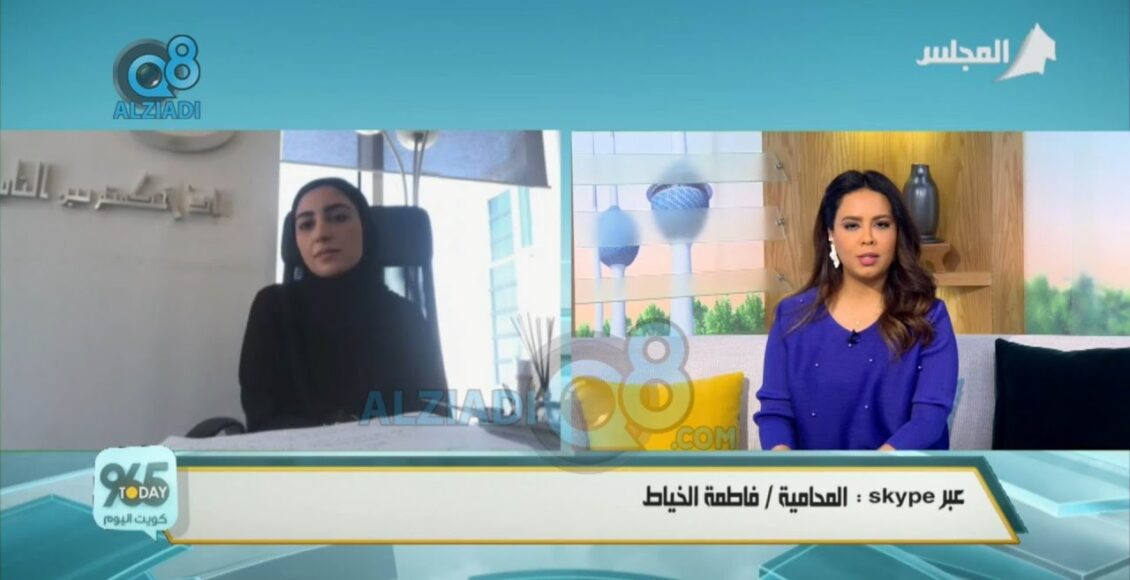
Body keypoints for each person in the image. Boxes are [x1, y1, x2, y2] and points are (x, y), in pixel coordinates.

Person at [754, 170, 958, 450]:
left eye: (881, 225)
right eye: (852, 226)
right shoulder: (791, 317)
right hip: (811, 478)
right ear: (830, 234)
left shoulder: (929, 316)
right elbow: (775, 414)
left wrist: (872, 471)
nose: (868, 238)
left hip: (902, 474)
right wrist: (786, 467)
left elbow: (929, 420)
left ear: (897, 233)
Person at [239, 177, 445, 432]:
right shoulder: (273, 308)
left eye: (338, 218)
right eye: (306, 224)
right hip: (297, 455)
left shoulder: (406, 317)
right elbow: (262, 416)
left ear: (365, 229)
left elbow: (432, 412)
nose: (321, 234)